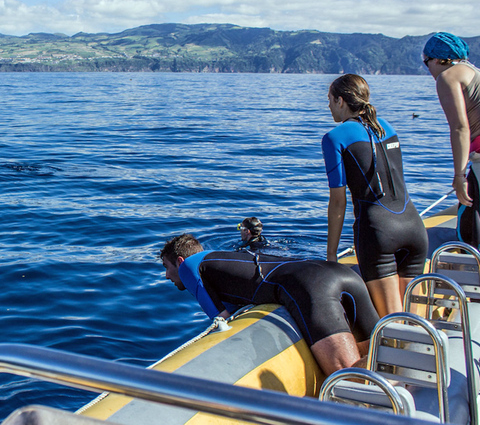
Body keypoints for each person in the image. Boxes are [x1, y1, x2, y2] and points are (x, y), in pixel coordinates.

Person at [159, 233, 378, 376]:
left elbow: (222, 318)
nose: (167, 275)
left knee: (347, 376)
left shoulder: (188, 267)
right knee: (383, 349)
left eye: (167, 267)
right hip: (338, 272)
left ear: (180, 261)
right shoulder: (222, 258)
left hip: (311, 286)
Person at [322, 74, 427, 317]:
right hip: (413, 226)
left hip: (378, 232)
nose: (328, 106)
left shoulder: (334, 137)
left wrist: (331, 255)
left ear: (340, 101)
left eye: (329, 100)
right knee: (417, 321)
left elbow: (338, 202)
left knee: (392, 323)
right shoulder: (386, 127)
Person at [423, 32, 480, 247]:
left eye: (426, 62)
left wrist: (459, 175)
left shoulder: (448, 77)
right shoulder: (474, 72)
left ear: (437, 60)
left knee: (471, 224)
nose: (428, 69)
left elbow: (459, 127)